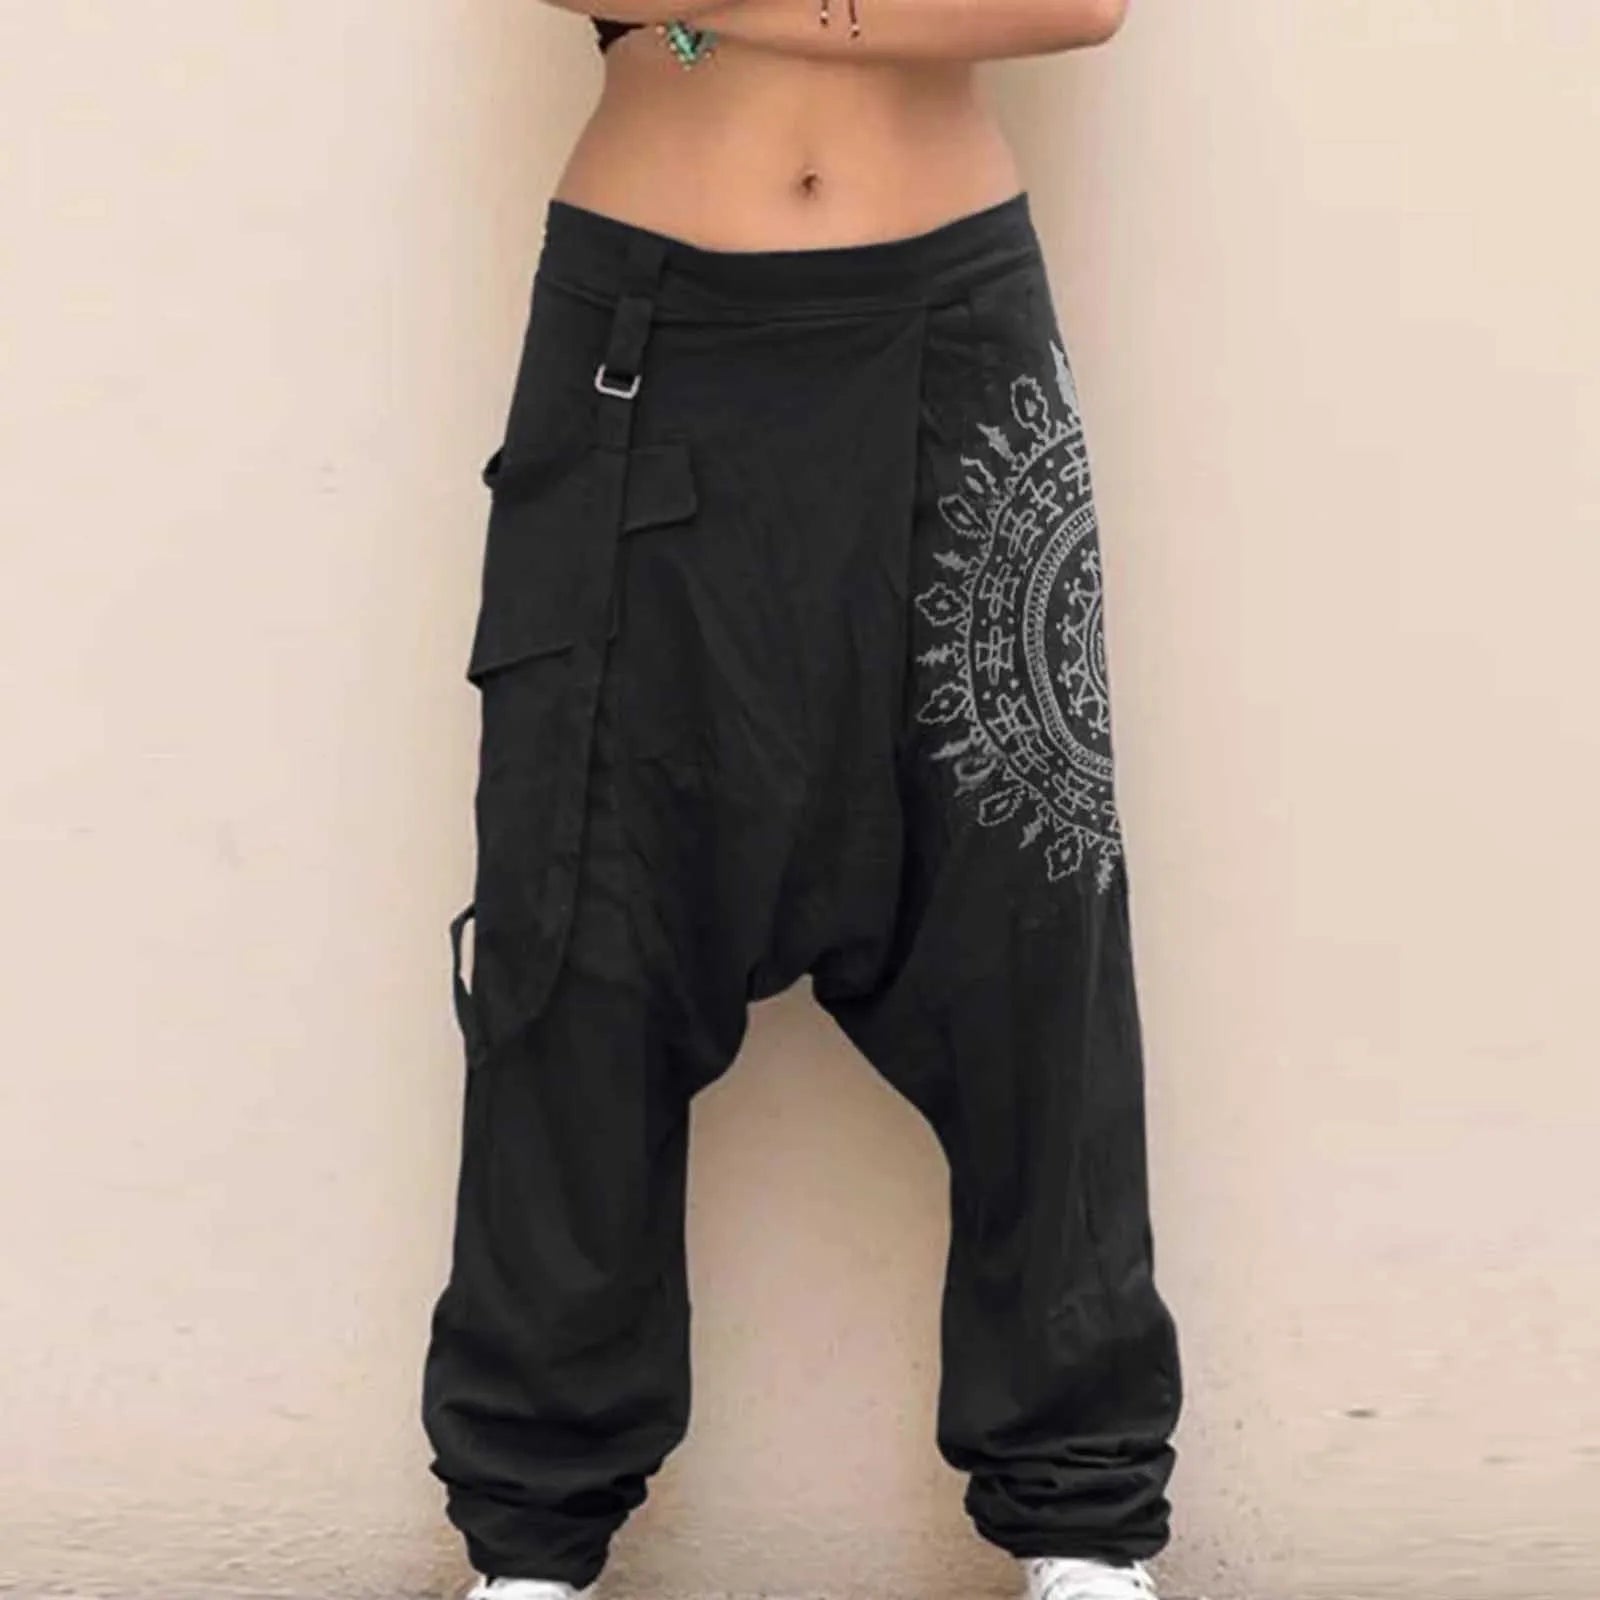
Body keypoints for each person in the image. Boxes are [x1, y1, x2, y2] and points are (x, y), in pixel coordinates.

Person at [421, 2, 1184, 1598]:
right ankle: (532, 1546)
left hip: (953, 332)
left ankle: (1081, 1527)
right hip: (643, 339)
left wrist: (709, 12)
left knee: (1034, 939)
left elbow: (1079, 3)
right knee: (581, 938)